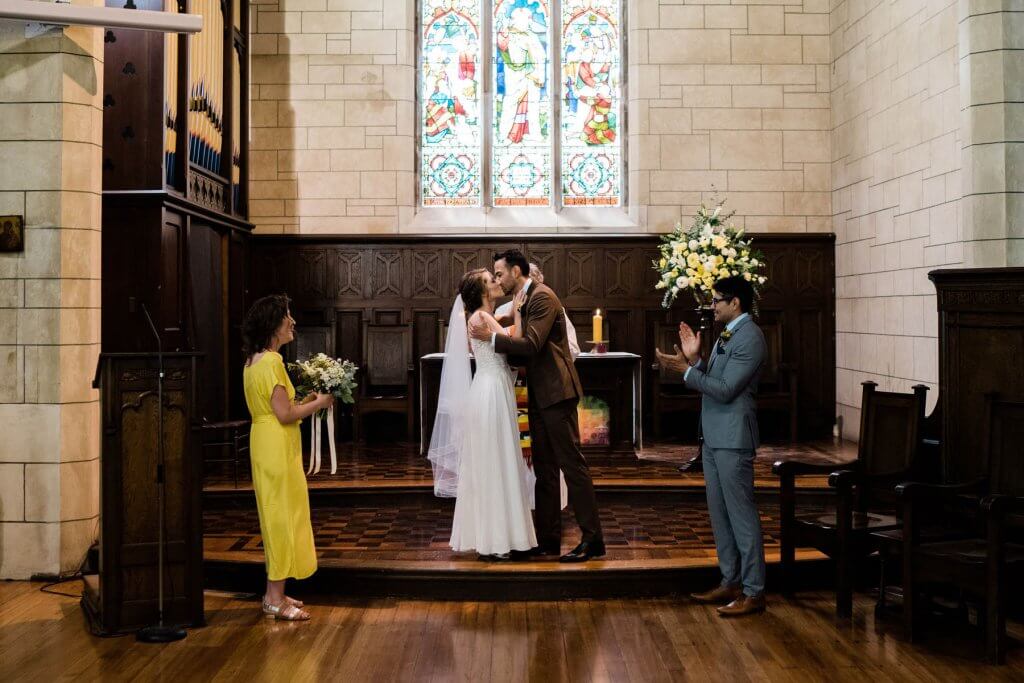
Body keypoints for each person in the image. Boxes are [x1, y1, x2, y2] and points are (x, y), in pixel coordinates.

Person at [470, 249, 604, 563]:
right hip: (540, 394)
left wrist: (491, 338)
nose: (498, 279)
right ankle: (547, 540)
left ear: (517, 271)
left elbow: (531, 345)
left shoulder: (543, 297)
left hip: (557, 393)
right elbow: (521, 351)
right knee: (545, 470)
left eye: (500, 273)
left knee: (572, 466)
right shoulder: (524, 300)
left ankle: (593, 539)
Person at [655, 276, 768, 617]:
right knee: (720, 516)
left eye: (718, 299)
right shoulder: (729, 332)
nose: (713, 304)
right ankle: (730, 580)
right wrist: (694, 360)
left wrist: (686, 371)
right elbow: (715, 378)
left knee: (742, 517)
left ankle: (753, 590)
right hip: (715, 436)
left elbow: (725, 389)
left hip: (734, 439)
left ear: (736, 303)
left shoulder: (750, 337)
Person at [429, 269, 538, 560]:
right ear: (482, 292)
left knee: (494, 460)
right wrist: (518, 311)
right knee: (496, 461)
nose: (497, 282)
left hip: (492, 387)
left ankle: (494, 537)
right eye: (491, 281)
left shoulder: (481, 318)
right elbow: (515, 344)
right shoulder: (482, 317)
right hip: (492, 391)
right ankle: (498, 540)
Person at [242, 294, 334, 621]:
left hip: (265, 442)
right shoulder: (272, 363)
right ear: (273, 324)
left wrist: (306, 400)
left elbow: (277, 409)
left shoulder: (254, 362)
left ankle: (274, 592)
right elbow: (284, 414)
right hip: (277, 446)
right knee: (281, 519)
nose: (292, 321)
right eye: (287, 316)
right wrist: (320, 403)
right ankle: (274, 598)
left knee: (277, 517)